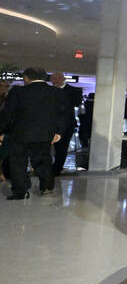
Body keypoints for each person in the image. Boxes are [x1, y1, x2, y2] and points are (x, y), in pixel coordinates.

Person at [0, 67, 70, 199]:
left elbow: (7, 114)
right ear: (44, 77)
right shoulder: (56, 93)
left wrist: (1, 130)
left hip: (20, 134)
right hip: (44, 134)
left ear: (26, 77)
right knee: (43, 160)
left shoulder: (18, 92)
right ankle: (47, 188)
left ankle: (21, 192)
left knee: (18, 162)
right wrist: (59, 132)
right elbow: (63, 114)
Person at [48, 73, 83, 175]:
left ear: (63, 79)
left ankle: (56, 169)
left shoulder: (74, 90)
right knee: (44, 147)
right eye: (53, 78)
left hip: (66, 125)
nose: (56, 80)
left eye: (58, 78)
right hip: (48, 124)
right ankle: (46, 168)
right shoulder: (46, 91)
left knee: (62, 148)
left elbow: (76, 103)